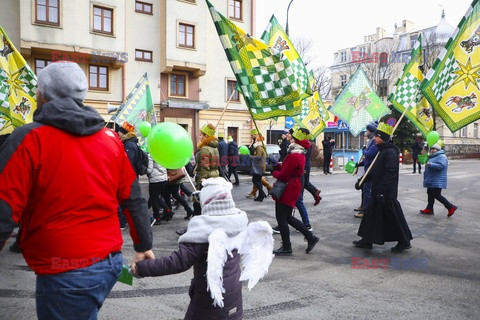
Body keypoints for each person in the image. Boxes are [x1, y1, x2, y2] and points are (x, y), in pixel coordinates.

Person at [0, 61, 154, 319]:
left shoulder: (28, 138)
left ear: (43, 94)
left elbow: (4, 207)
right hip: (109, 262)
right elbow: (133, 198)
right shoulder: (110, 139)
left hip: (65, 268)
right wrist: (143, 245)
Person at [133, 177, 274, 320]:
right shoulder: (238, 224)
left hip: (210, 300)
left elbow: (176, 262)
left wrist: (142, 268)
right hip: (233, 295)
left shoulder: (204, 234)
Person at [354, 122, 413, 252]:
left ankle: (404, 241)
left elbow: (390, 174)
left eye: (377, 136)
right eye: (374, 136)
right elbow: (374, 171)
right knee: (370, 216)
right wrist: (362, 181)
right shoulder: (382, 151)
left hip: (386, 193)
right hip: (378, 190)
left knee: (394, 218)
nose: (374, 139)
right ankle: (366, 241)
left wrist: (383, 192)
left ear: (384, 138)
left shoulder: (390, 152)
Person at [271, 127, 320, 256]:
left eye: (292, 138)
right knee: (287, 217)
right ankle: (310, 237)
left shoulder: (294, 156)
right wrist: (278, 165)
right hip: (293, 186)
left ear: (297, 140)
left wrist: (274, 172)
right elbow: (289, 170)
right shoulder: (299, 153)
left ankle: (287, 247)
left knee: (281, 217)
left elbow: (284, 176)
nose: (290, 139)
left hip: (288, 188)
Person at [420, 143, 458, 217]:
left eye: (434, 149)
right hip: (431, 178)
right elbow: (424, 157)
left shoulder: (441, 156)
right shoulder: (432, 156)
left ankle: (450, 207)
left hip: (437, 179)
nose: (432, 150)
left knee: (436, 195)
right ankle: (429, 209)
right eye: (431, 149)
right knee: (430, 193)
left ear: (438, 150)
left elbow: (441, 166)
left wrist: (430, 164)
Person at [354, 122, 378, 218]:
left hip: (371, 170)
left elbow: (370, 154)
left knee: (367, 189)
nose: (366, 132)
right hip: (367, 168)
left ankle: (365, 211)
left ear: (371, 131)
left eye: (367, 130)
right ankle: (363, 205)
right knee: (364, 188)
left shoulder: (374, 142)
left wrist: (364, 149)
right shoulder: (370, 141)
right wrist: (360, 164)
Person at [146, 153, 171, 225]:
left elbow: (149, 170)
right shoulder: (161, 154)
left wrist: (145, 171)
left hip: (155, 180)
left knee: (154, 200)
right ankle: (168, 211)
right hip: (163, 179)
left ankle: (157, 218)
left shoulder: (151, 155)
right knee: (155, 197)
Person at [251, 133, 268, 202]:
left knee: (255, 180)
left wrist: (250, 157)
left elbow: (258, 157)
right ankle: (261, 195)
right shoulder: (259, 146)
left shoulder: (259, 147)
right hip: (259, 166)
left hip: (258, 166)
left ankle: (262, 194)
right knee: (258, 180)